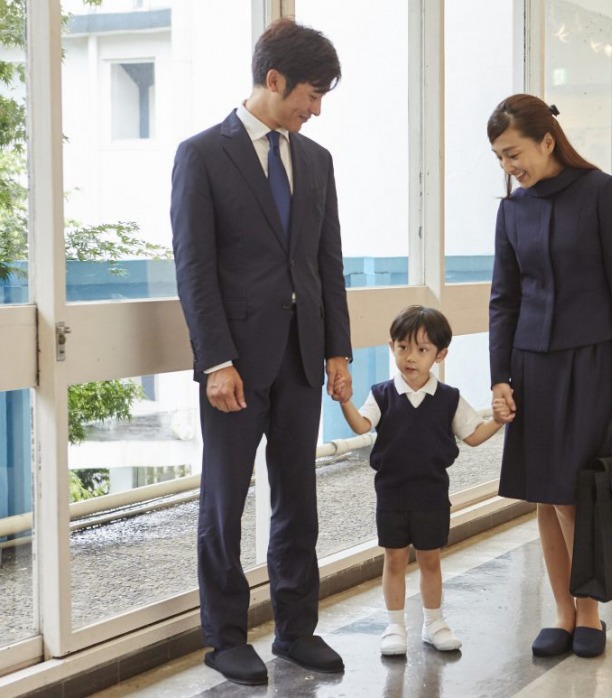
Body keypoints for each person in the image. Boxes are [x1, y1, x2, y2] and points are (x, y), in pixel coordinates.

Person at [171, 19, 352, 686]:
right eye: (311, 93)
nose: (316, 108)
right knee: (224, 501)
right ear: (273, 81)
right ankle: (223, 639)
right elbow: (194, 269)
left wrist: (338, 348)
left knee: (297, 497)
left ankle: (295, 630)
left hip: (305, 357)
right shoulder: (201, 155)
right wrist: (215, 359)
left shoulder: (317, 160)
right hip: (236, 367)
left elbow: (325, 263)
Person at [486, 94, 612, 659]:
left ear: (546, 141)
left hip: (593, 361)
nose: (510, 167)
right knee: (545, 492)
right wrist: (500, 376)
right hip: (532, 364)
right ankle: (561, 611)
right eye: (501, 159)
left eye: (514, 153)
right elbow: (503, 299)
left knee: (578, 492)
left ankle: (589, 611)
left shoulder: (601, 193)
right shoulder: (513, 210)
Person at [338, 306, 505, 656]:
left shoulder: (449, 398)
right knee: (394, 559)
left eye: (422, 350)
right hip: (392, 494)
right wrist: (345, 402)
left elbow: (473, 436)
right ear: (391, 346)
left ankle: (434, 623)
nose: (410, 357)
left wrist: (499, 421)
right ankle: (395, 626)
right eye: (403, 348)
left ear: (440, 354)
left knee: (431, 560)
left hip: (432, 493)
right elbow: (361, 426)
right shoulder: (382, 393)